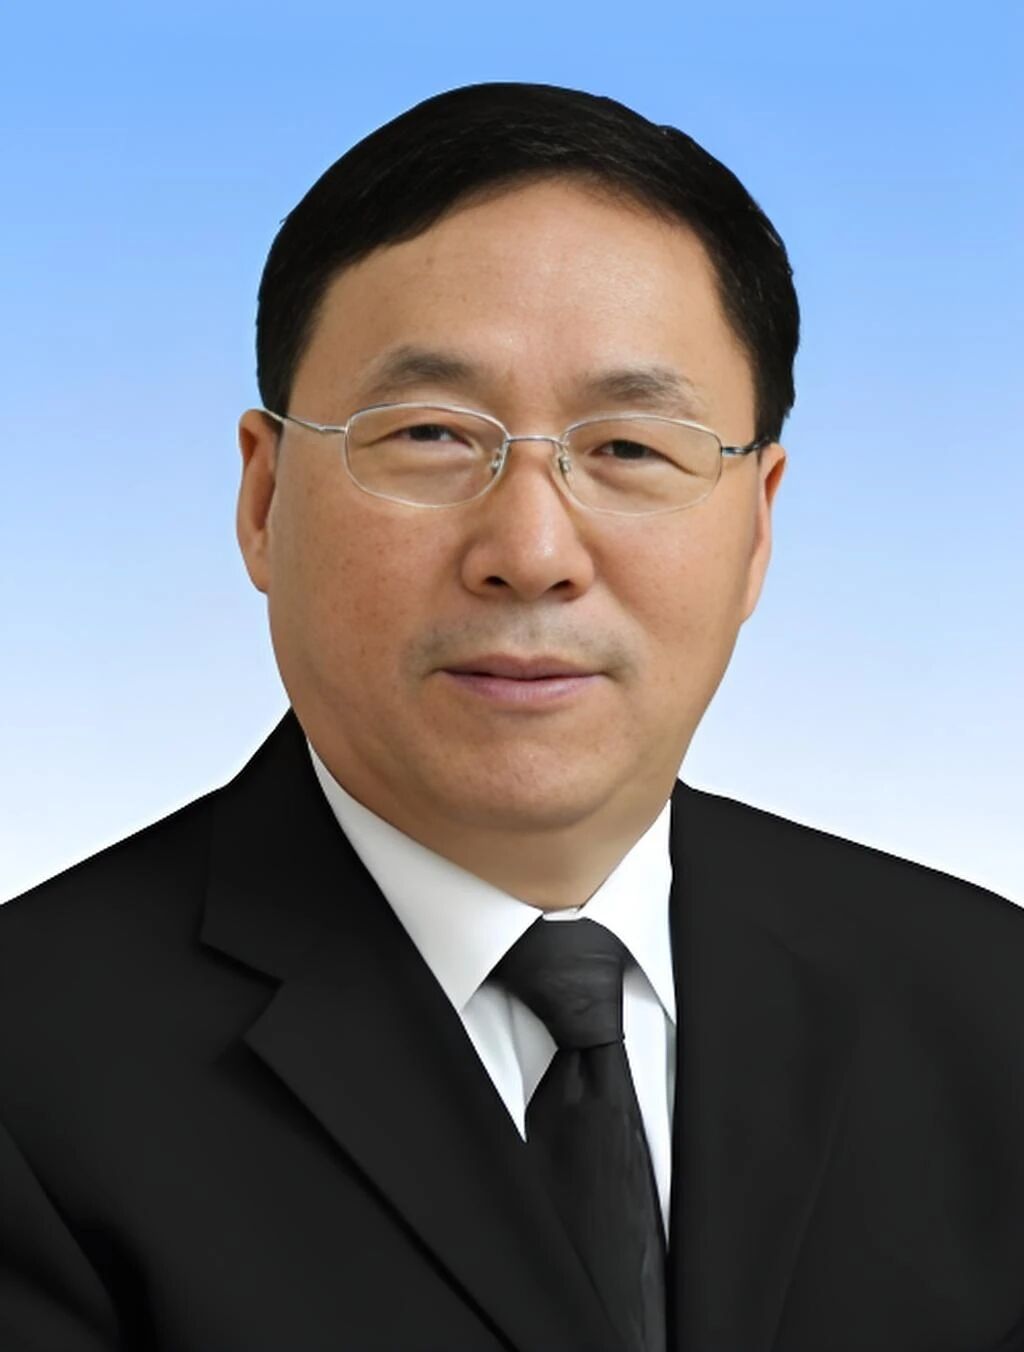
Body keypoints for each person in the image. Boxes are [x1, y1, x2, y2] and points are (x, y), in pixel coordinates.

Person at [0, 81, 1022, 1352]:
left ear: (758, 526)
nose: (530, 552)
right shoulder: (32, 1071)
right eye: (431, 433)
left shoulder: (987, 1008)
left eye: (629, 448)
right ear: (263, 501)